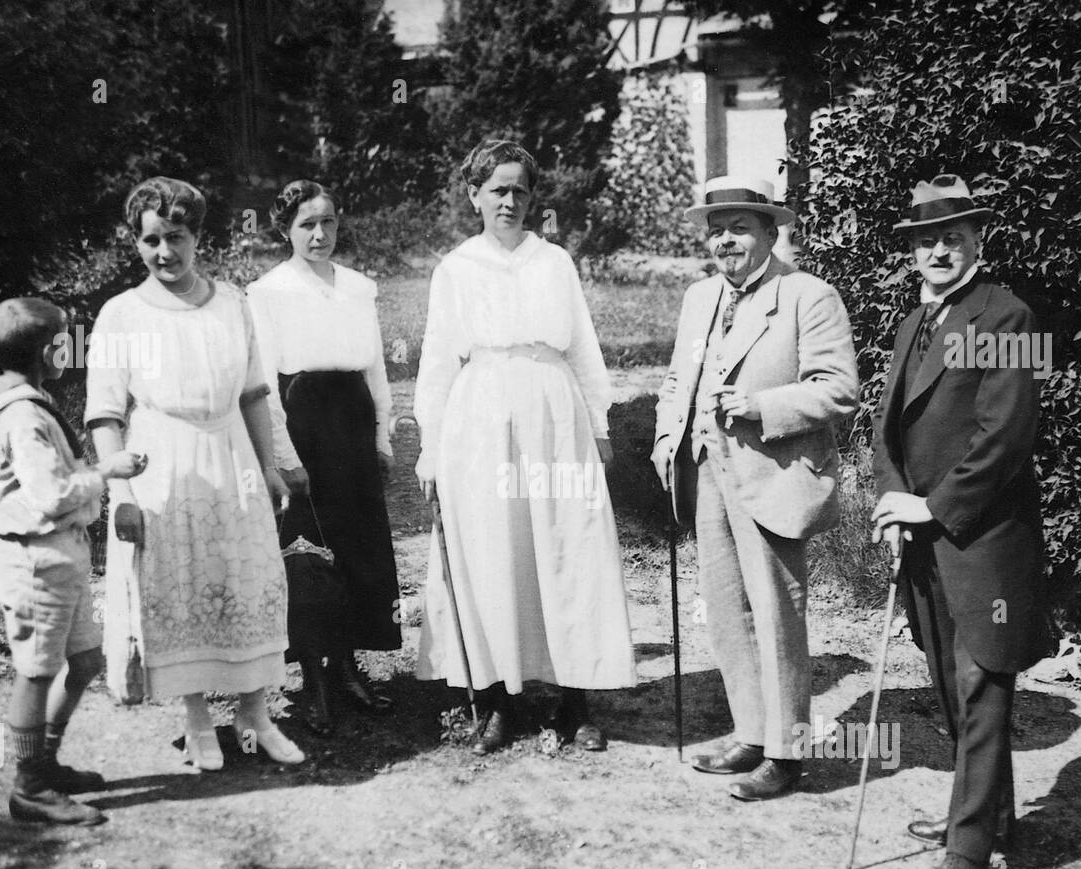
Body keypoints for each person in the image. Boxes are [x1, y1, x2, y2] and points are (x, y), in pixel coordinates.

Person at [414, 139, 636, 754]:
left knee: (569, 548)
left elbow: (584, 350)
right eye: (496, 190)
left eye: (519, 190)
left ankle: (577, 699)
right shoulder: (455, 268)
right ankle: (497, 701)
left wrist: (599, 425)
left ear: (532, 197)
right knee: (493, 549)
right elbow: (436, 361)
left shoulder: (555, 262)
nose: (508, 201)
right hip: (479, 416)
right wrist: (430, 447)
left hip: (553, 414)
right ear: (473, 196)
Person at [871, 174, 1053, 869]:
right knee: (948, 686)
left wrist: (931, 507)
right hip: (920, 536)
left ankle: (969, 847)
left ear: (979, 240)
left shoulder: (1013, 318)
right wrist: (890, 498)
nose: (938, 251)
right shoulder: (912, 325)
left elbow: (1006, 439)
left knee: (982, 686)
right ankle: (988, 818)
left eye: (951, 237)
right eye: (925, 240)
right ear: (912, 251)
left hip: (984, 538)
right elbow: (886, 426)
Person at [86, 176, 304, 770]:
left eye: (176, 237)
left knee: (248, 580)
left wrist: (271, 466)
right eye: (151, 240)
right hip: (162, 465)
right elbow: (104, 417)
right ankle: (197, 718)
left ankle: (255, 715)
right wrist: (122, 495)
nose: (164, 253)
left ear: (197, 235)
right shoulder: (120, 315)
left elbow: (257, 393)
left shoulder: (233, 303)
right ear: (135, 242)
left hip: (232, 454)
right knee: (178, 588)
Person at [652, 175, 858, 800]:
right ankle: (750, 731)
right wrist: (667, 439)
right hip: (707, 469)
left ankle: (787, 754)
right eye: (716, 230)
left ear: (772, 231)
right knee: (725, 608)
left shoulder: (808, 296)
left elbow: (839, 388)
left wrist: (761, 404)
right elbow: (675, 380)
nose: (725, 240)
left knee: (774, 610)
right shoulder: (699, 300)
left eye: (740, 227)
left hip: (771, 473)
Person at [0, 297, 147, 824]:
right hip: (33, 560)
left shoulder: (20, 394)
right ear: (49, 351)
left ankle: (43, 763)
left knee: (86, 660)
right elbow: (51, 495)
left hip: (58, 556)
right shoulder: (22, 414)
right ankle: (29, 788)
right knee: (37, 671)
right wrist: (108, 469)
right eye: (66, 341)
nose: (73, 349)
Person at [246, 180, 402, 736]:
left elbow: (376, 368)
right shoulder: (268, 292)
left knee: (359, 547)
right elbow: (263, 381)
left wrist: (382, 438)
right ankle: (314, 681)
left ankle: (350, 669)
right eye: (307, 224)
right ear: (285, 230)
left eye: (329, 222)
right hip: (302, 421)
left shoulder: (360, 287)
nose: (320, 234)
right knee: (308, 553)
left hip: (353, 423)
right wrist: (285, 457)